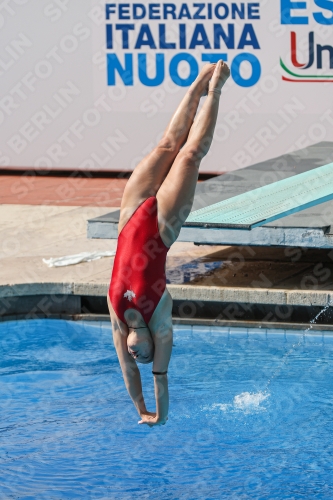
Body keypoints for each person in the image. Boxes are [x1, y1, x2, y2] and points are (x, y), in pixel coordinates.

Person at [107, 60, 230, 427]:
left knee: (166, 144)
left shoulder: (116, 321)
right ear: (153, 350)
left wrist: (138, 409)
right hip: (163, 228)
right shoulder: (159, 324)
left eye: (136, 357)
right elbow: (159, 379)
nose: (136, 356)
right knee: (190, 155)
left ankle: (196, 83)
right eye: (145, 357)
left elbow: (129, 374)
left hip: (129, 215)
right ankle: (215, 90)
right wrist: (159, 415)